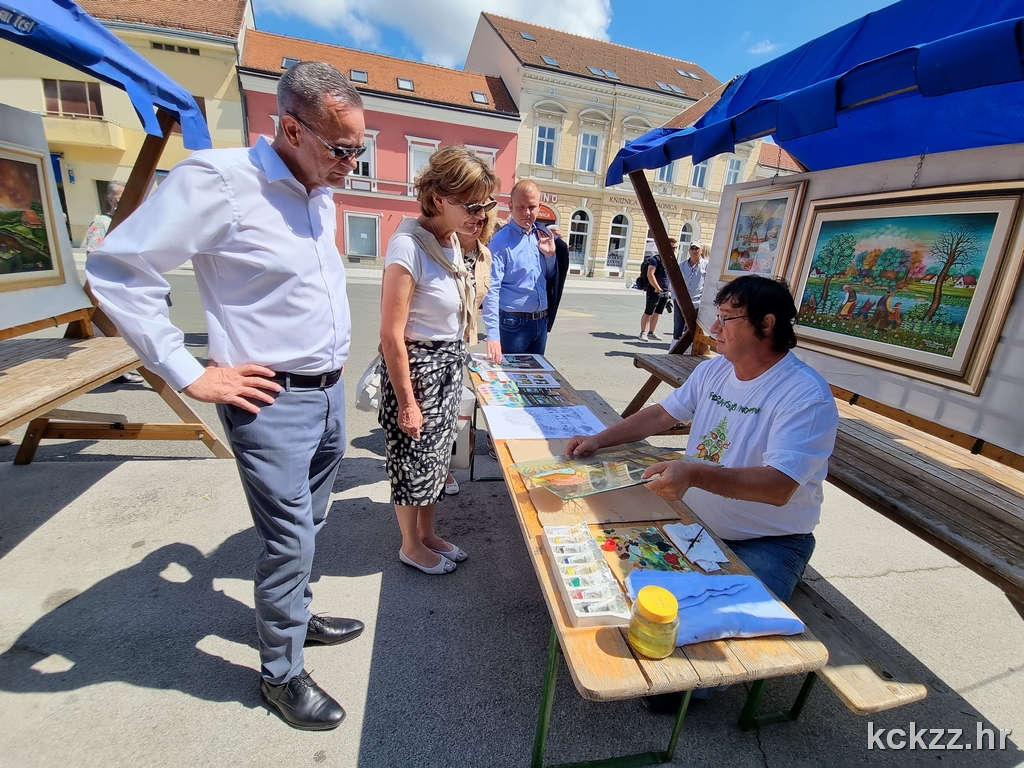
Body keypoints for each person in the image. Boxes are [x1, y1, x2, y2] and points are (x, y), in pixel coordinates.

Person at [87, 61, 368, 731]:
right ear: (292, 129)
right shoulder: (219, 181)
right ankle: (282, 674)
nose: (352, 163)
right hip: (270, 403)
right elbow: (119, 268)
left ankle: (293, 616)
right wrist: (186, 372)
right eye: (342, 148)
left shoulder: (317, 185)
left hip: (325, 395)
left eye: (359, 147)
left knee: (310, 528)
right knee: (289, 541)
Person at [567, 274, 838, 602]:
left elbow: (778, 486)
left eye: (725, 318)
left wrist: (694, 474)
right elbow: (661, 414)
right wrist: (599, 439)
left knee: (735, 632)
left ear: (766, 324)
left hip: (767, 541)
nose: (714, 328)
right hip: (690, 521)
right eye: (717, 316)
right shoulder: (715, 370)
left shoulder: (804, 394)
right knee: (612, 587)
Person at [378, 146, 499, 575]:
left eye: (485, 204)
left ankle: (428, 534)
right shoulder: (408, 246)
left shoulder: (447, 242)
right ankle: (410, 545)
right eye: (470, 205)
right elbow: (391, 336)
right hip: (416, 371)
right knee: (412, 461)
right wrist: (407, 402)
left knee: (435, 460)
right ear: (437, 198)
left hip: (446, 366)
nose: (480, 215)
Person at [443, 207, 499, 496]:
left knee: (454, 405)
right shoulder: (441, 243)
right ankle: (436, 470)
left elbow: (487, 298)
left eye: (483, 220)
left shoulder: (484, 254)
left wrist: (493, 336)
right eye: (473, 216)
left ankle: (447, 466)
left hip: (462, 339)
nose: (477, 223)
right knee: (437, 409)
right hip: (433, 341)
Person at [482, 180, 568, 362]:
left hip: (540, 323)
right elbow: (491, 290)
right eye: (521, 207)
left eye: (531, 207)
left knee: (534, 382)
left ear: (539, 207)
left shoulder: (542, 236)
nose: (526, 213)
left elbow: (550, 279)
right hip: (513, 325)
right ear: (510, 206)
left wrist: (551, 257)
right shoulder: (500, 242)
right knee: (509, 383)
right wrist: (493, 335)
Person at [84, 181, 143, 385]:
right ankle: (114, 371)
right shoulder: (101, 222)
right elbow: (93, 255)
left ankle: (123, 368)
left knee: (130, 328)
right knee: (110, 330)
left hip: (130, 284)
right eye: (121, 197)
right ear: (111, 199)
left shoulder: (131, 221)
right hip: (110, 286)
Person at [673, 241, 707, 343]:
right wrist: (675, 297)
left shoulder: (706, 265)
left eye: (696, 249)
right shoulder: (682, 265)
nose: (694, 251)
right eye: (692, 249)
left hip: (697, 301)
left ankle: (689, 348)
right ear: (689, 251)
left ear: (702, 250)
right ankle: (674, 346)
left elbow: (708, 283)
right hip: (680, 300)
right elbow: (674, 281)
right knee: (678, 326)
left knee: (692, 327)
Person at [638, 242, 670, 341]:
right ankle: (643, 332)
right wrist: (657, 287)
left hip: (665, 290)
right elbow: (650, 274)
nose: (673, 249)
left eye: (675, 248)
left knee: (657, 313)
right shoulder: (655, 259)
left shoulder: (670, 260)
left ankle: (651, 332)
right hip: (654, 290)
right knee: (648, 312)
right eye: (671, 247)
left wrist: (669, 290)